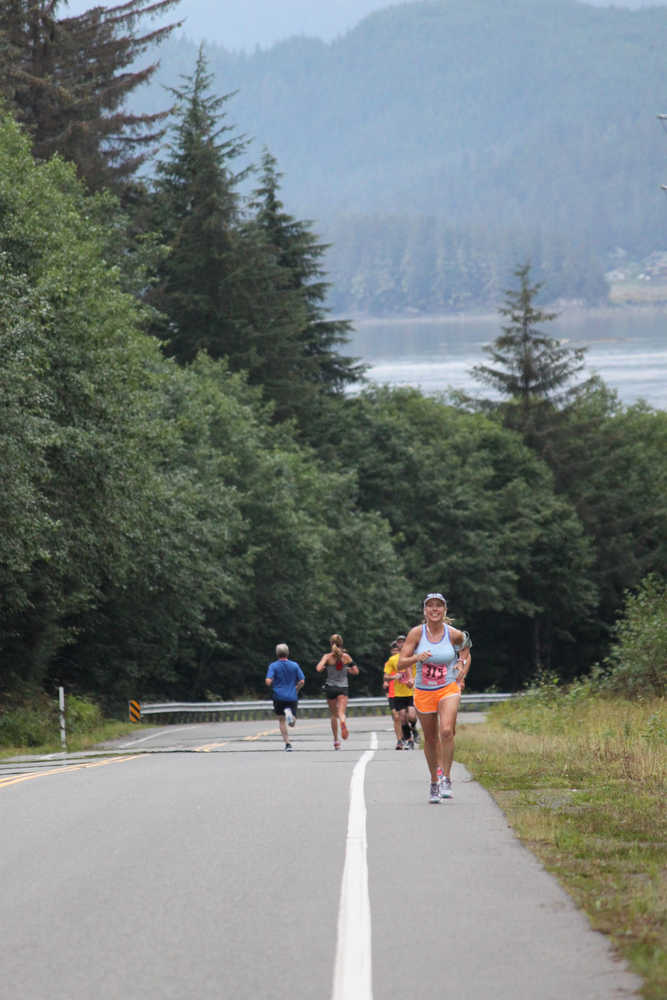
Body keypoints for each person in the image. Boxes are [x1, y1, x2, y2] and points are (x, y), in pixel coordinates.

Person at [398, 593, 471, 802]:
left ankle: (447, 778)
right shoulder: (416, 634)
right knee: (430, 738)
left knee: (447, 731)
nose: (435, 609)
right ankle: (434, 782)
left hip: (448, 687)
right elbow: (402, 662)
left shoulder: (453, 634)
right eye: (430, 606)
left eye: (439, 606)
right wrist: (416, 658)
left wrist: (461, 664)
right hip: (423, 690)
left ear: (444, 610)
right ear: (425, 611)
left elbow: (466, 646)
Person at [315, 633, 359, 749]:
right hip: (343, 687)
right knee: (341, 713)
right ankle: (343, 722)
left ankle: (336, 741)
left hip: (330, 687)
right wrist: (348, 669)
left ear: (331, 644)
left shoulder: (327, 657)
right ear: (341, 644)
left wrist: (324, 667)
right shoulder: (346, 657)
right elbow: (356, 671)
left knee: (333, 715)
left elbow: (318, 668)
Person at [265, 643, 305, 751]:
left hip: (278, 697)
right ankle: (291, 717)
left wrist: (272, 682)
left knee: (281, 721)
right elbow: (302, 681)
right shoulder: (294, 665)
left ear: (277, 653)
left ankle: (287, 744)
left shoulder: (273, 666)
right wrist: (296, 689)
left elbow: (268, 681)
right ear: (287, 653)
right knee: (291, 723)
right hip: (292, 696)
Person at [383, 634, 418, 749]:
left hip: (412, 692)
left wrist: (413, 680)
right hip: (399, 693)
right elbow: (386, 677)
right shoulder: (392, 660)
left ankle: (413, 728)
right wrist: (394, 677)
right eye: (399, 642)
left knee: (412, 715)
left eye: (404, 642)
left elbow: (421, 672)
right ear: (397, 645)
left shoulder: (414, 657)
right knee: (402, 717)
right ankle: (409, 739)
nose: (402, 644)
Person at [383, 640, 404, 749]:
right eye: (393, 650)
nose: (395, 652)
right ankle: (399, 740)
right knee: (396, 717)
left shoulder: (405, 660)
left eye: (397, 650)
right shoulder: (389, 662)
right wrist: (386, 683)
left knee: (404, 717)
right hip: (393, 693)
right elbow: (385, 677)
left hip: (405, 692)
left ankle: (407, 735)